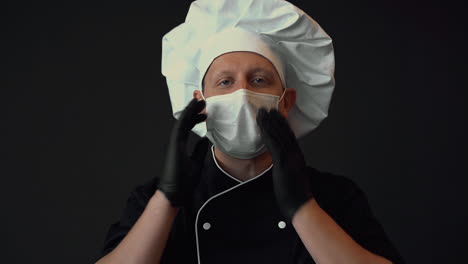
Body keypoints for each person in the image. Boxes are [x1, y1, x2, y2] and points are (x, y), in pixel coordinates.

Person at [95, 0, 405, 263]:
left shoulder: (334, 197)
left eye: (259, 80)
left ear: (286, 102)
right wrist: (167, 199)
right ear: (200, 103)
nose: (242, 94)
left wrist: (302, 207)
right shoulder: (154, 200)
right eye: (225, 82)